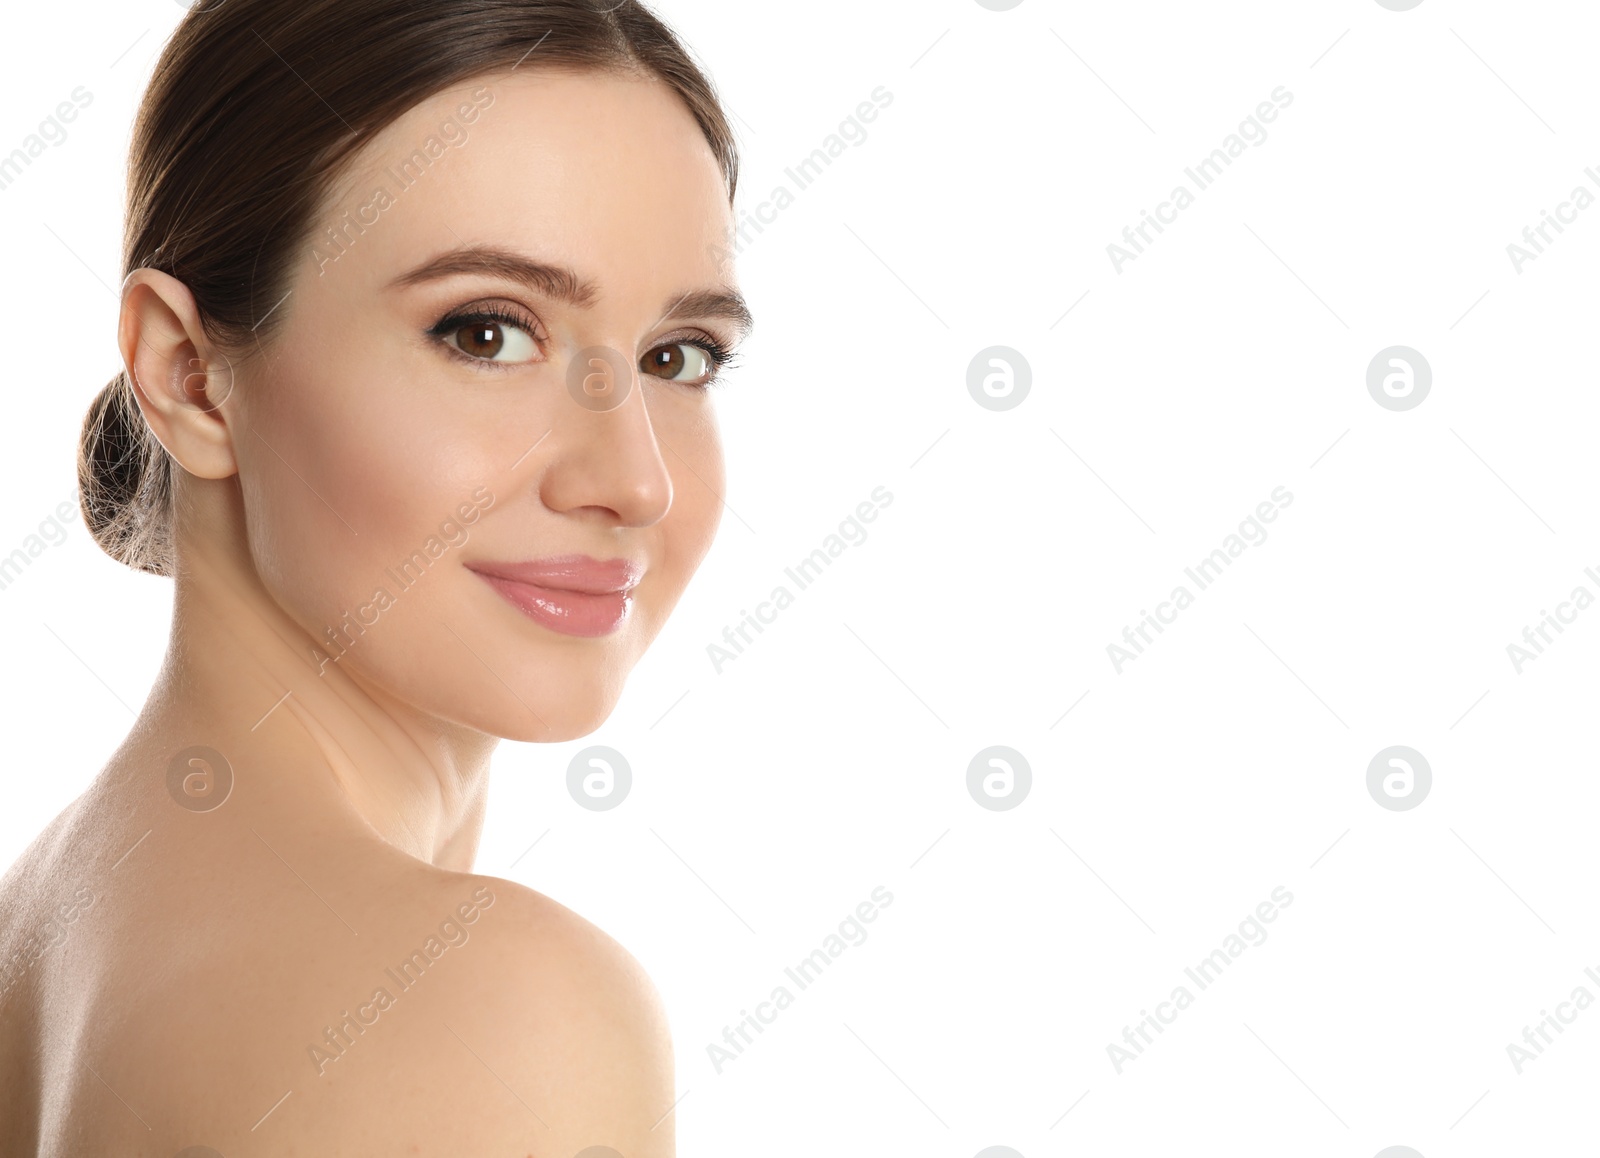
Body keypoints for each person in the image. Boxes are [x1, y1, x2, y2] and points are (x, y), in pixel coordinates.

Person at [0, 2, 751, 1153]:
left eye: (676, 356)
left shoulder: (48, 926)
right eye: (487, 333)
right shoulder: (493, 1014)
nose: (633, 480)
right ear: (189, 376)